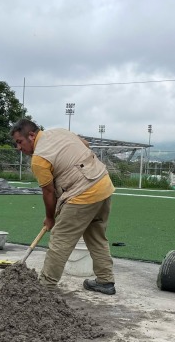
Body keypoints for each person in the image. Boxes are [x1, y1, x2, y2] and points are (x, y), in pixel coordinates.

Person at [10, 118, 116, 295]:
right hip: (103, 184)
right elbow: (85, 144)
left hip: (83, 193)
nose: (19, 148)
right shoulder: (60, 132)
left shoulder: (39, 159)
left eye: (20, 142)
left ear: (31, 135)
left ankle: (45, 288)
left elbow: (49, 192)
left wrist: (50, 218)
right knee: (96, 236)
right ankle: (105, 281)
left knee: (60, 239)